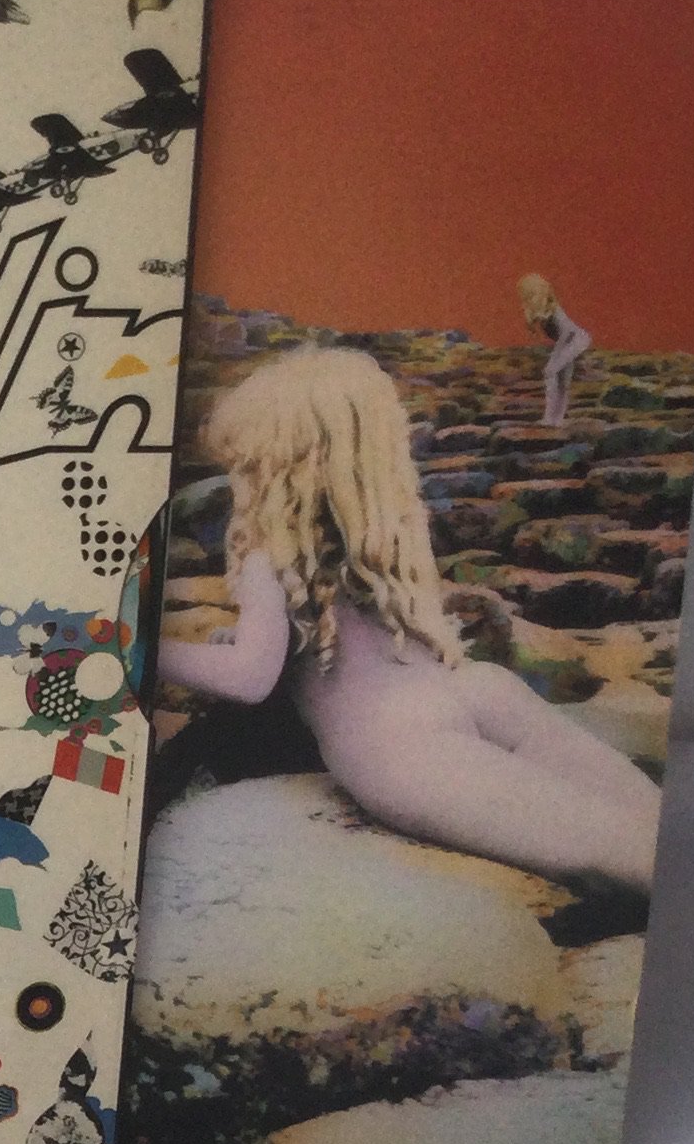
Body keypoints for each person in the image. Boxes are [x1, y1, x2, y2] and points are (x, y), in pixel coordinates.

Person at [159, 346, 661, 892]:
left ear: (272, 465)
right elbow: (325, 639)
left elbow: (249, 677)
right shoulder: (386, 537)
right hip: (472, 689)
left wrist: (140, 647)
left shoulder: (269, 559)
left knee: (623, 858)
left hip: (395, 742)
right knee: (657, 826)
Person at [520, 272, 591, 429]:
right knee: (562, 381)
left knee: (550, 372)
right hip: (572, 342)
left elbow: (567, 332)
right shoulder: (543, 311)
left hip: (575, 340)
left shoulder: (553, 310)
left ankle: (550, 418)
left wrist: (556, 354)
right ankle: (556, 420)